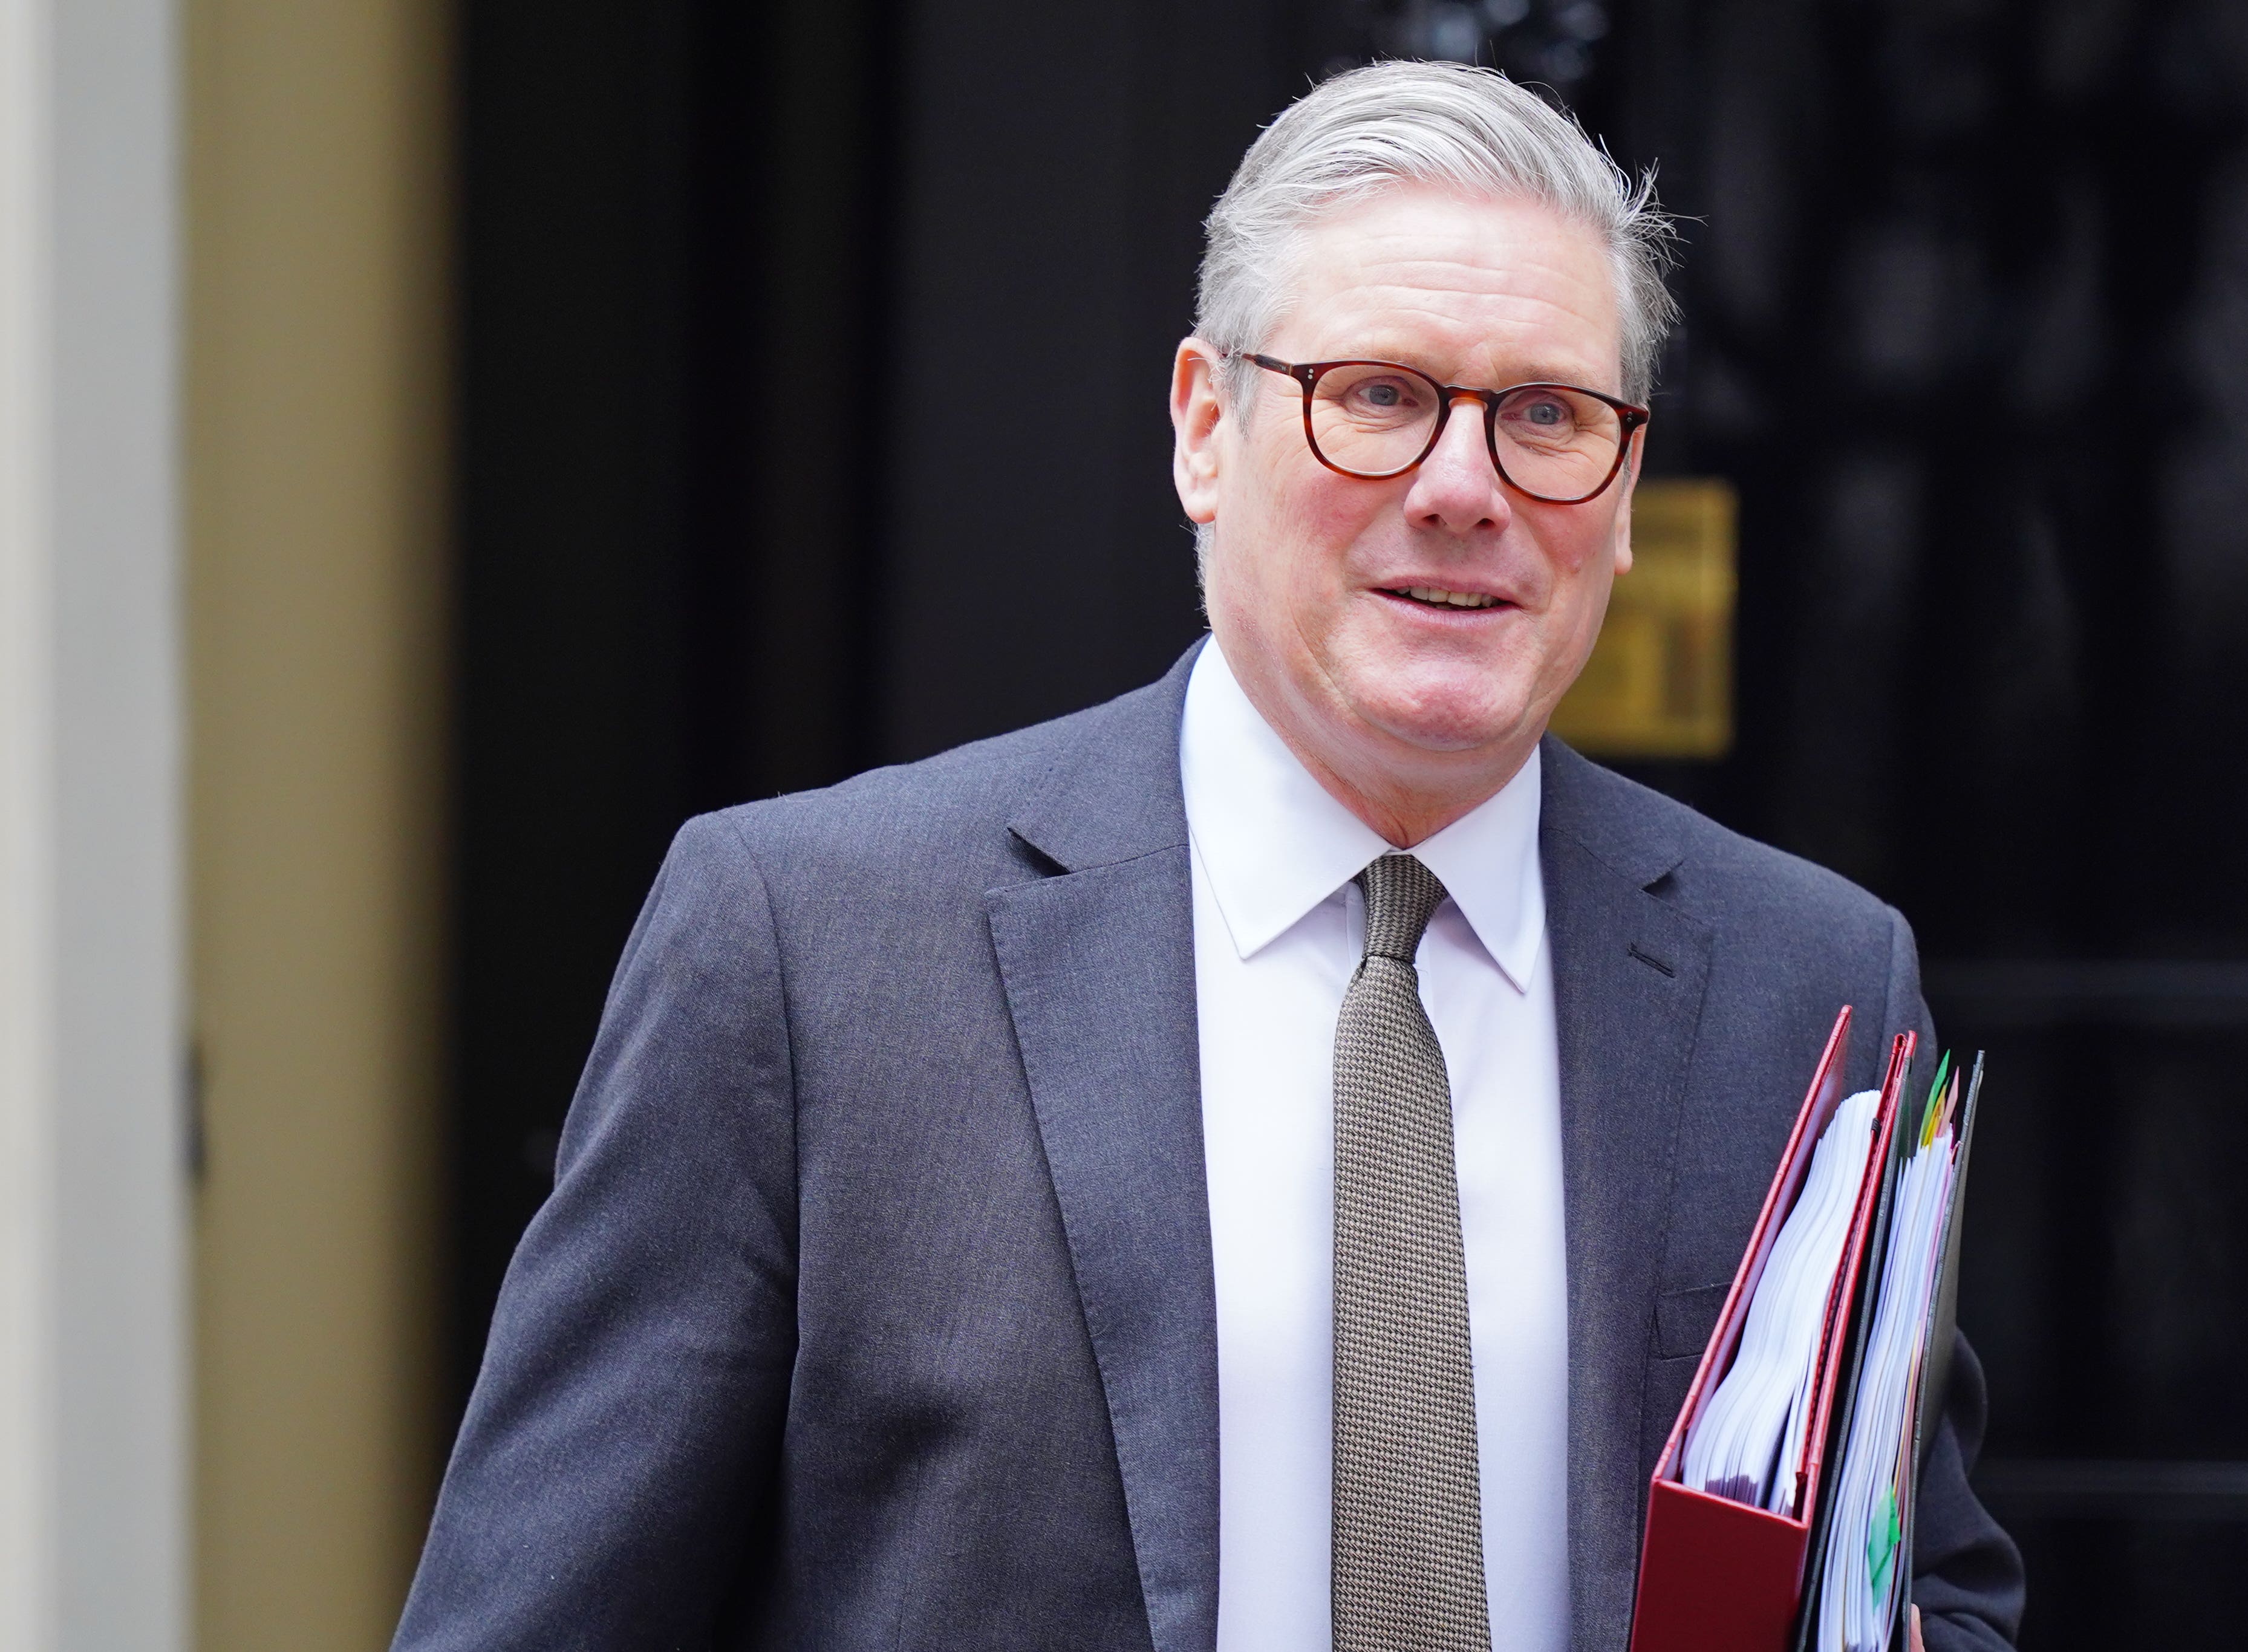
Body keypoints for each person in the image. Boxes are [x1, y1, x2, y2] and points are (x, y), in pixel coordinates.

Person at [394, 60, 2022, 1652]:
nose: (1465, 488)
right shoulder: (810, 952)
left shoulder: (1803, 982)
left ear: (1621, 484)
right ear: (1202, 425)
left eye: (1544, 413)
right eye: (1378, 394)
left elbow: (1921, 1580)